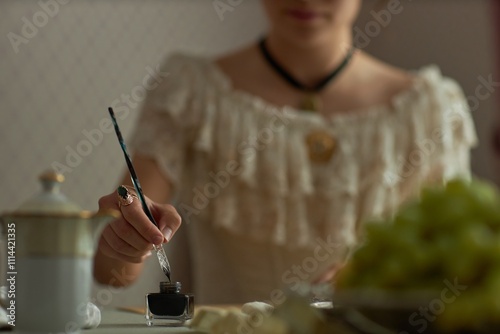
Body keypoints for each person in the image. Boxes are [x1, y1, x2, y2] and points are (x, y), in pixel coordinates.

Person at [94, 0, 478, 304]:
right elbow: (111, 272)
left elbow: (455, 272)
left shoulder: (429, 109)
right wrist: (123, 241)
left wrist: (373, 279)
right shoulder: (189, 91)